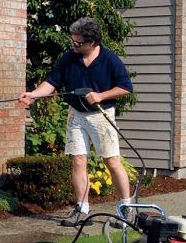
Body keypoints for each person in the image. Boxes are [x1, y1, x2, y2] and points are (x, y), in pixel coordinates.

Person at [19, 17, 133, 226]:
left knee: (111, 161)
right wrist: (34, 94)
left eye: (79, 43)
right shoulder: (69, 58)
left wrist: (101, 95)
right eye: (73, 41)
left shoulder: (110, 59)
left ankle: (127, 210)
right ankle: (82, 210)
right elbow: (52, 82)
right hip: (76, 115)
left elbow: (125, 87)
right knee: (78, 160)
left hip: (101, 115)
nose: (74, 45)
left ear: (93, 42)